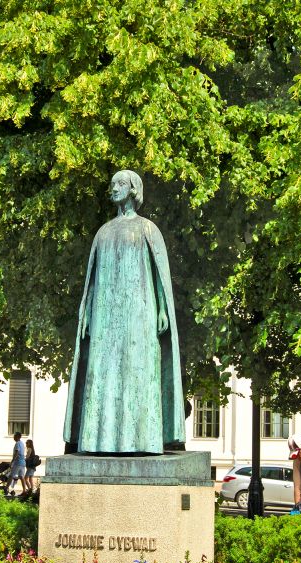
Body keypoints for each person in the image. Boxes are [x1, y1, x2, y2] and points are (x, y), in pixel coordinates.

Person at [63, 170, 186, 454]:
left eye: (120, 184)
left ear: (133, 189)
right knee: (102, 373)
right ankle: (98, 440)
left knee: (138, 370)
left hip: (139, 313)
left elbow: (159, 275)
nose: (114, 188)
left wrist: (162, 308)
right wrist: (88, 314)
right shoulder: (103, 232)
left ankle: (143, 439)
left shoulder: (147, 228)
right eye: (112, 184)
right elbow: (92, 280)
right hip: (106, 315)